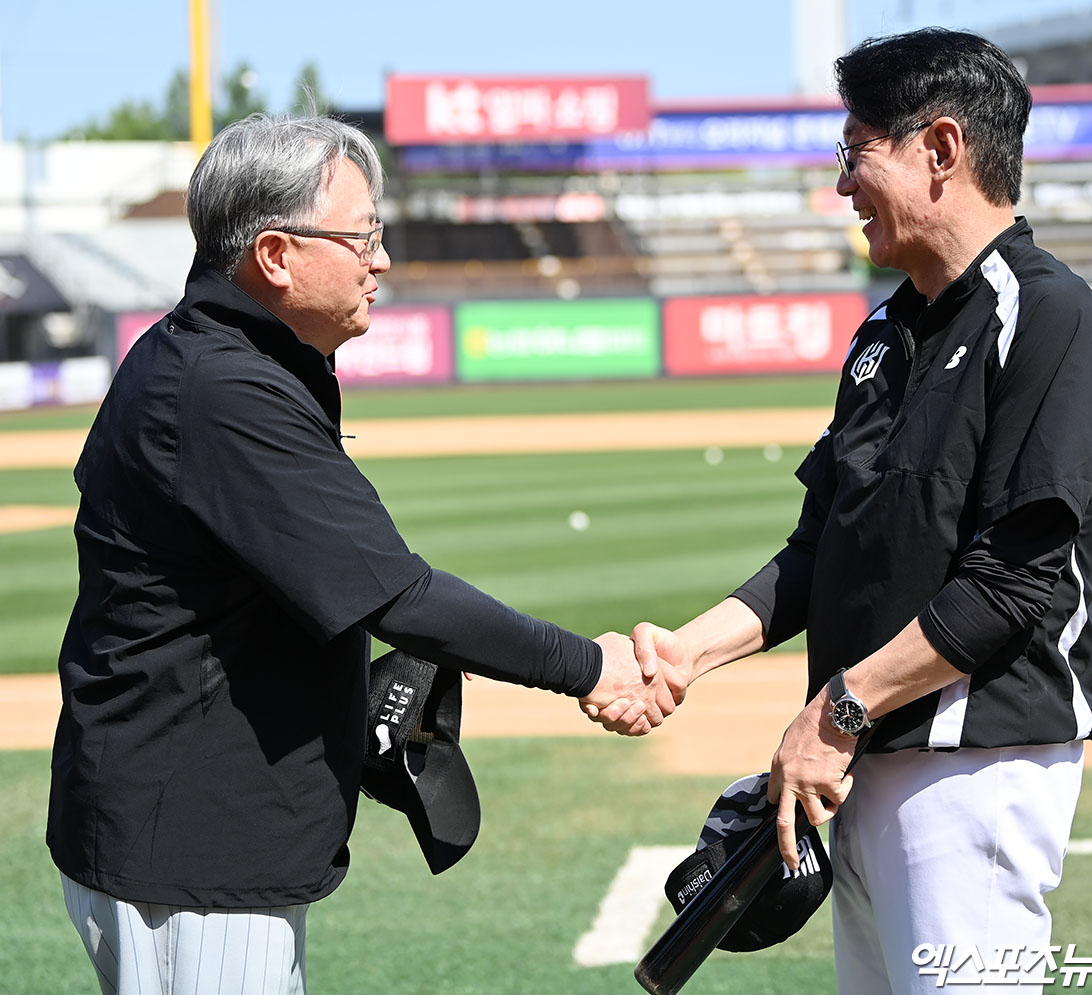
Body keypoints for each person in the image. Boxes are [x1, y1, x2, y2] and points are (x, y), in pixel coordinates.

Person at [47, 111, 675, 995]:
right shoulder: (223, 387)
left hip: (190, 822)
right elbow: (400, 596)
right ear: (276, 255)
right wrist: (590, 666)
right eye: (363, 235)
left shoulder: (225, 358)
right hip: (191, 847)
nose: (381, 259)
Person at [596, 27, 1092, 994]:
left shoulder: (1050, 317)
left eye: (856, 152)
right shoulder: (885, 329)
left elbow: (1009, 584)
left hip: (975, 770)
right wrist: (690, 650)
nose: (841, 184)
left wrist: (838, 709)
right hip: (862, 762)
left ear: (940, 150)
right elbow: (822, 548)